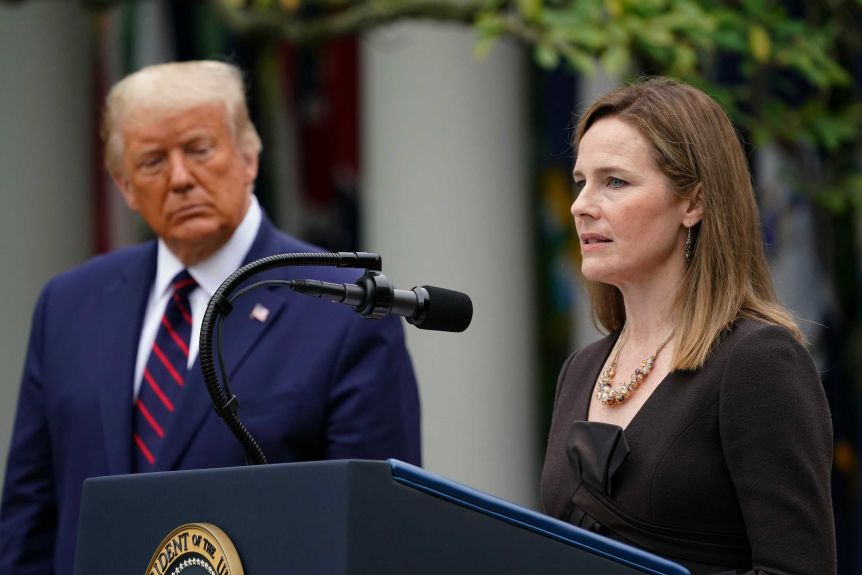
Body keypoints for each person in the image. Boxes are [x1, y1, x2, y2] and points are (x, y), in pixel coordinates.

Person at [0, 60, 421, 575]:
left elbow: (378, 535)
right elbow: (27, 525)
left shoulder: (345, 308)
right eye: (153, 161)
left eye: (199, 150)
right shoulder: (68, 306)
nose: (180, 178)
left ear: (249, 156)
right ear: (125, 185)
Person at [541, 77, 835, 574]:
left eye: (614, 182)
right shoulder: (580, 370)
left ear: (693, 203)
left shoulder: (757, 361)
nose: (581, 205)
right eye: (580, 181)